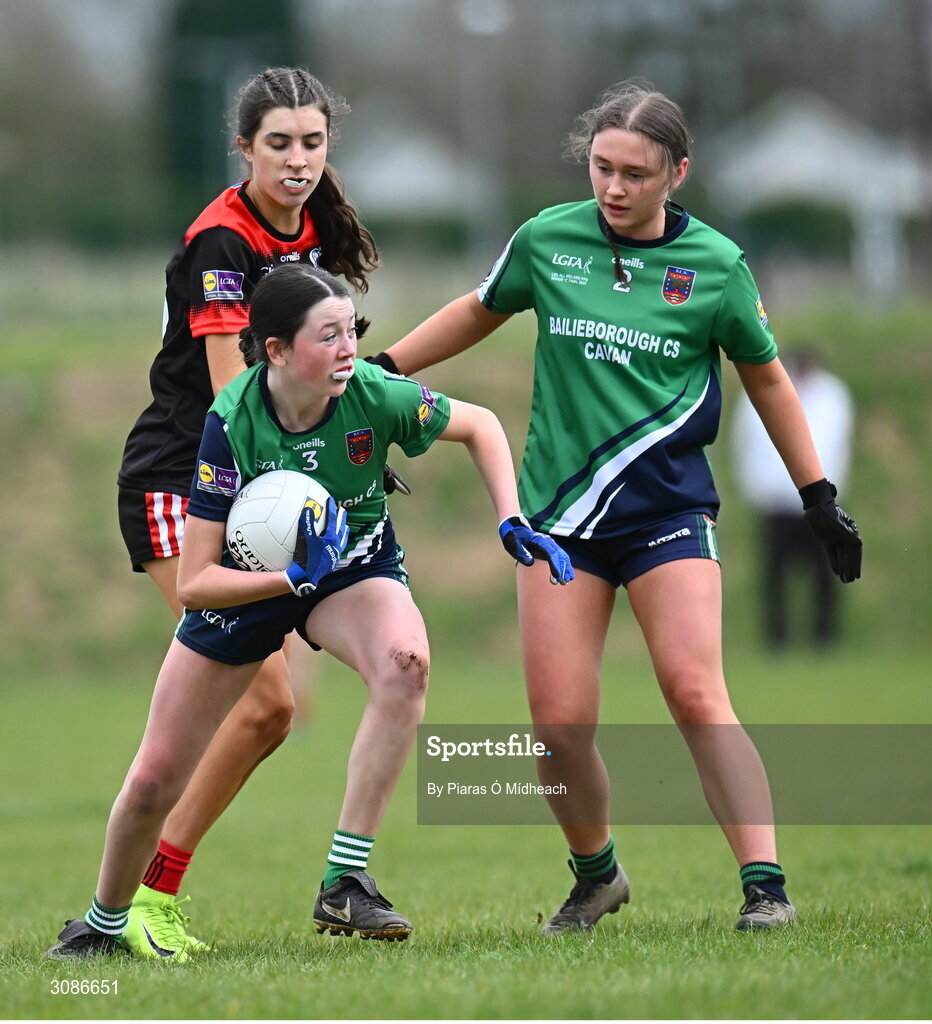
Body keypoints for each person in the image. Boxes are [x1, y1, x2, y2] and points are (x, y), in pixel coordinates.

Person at [373, 80, 862, 932]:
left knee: (694, 689)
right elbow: (477, 311)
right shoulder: (548, 240)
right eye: (602, 166)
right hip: (559, 519)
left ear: (678, 171)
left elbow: (770, 379)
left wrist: (816, 496)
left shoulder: (715, 266)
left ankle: (765, 887)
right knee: (559, 726)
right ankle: (597, 876)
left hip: (669, 513)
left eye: (636, 172)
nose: (614, 187)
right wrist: (382, 372)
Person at [48, 264, 572, 960]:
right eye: (328, 337)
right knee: (152, 780)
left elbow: (480, 425)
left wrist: (511, 518)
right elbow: (199, 581)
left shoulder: (372, 394)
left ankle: (344, 879)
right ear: (277, 351)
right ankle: (103, 926)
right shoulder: (231, 422)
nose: (349, 349)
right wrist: (288, 577)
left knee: (405, 663)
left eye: (351, 330)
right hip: (248, 585)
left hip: (353, 571)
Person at [114, 67, 386, 951]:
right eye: (279, 144)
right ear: (244, 148)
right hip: (182, 483)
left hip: (257, 488)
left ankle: (151, 894)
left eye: (313, 143)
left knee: (272, 710)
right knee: (263, 704)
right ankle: (137, 903)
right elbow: (239, 402)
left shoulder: (309, 230)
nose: (299, 160)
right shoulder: (221, 243)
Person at [731, 348, 855, 649]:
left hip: (821, 502)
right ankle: (777, 639)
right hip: (776, 502)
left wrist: (832, 489)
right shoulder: (755, 393)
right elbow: (744, 443)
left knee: (826, 572)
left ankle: (825, 638)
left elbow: (841, 442)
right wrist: (756, 487)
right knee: (775, 576)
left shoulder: (832, 395)